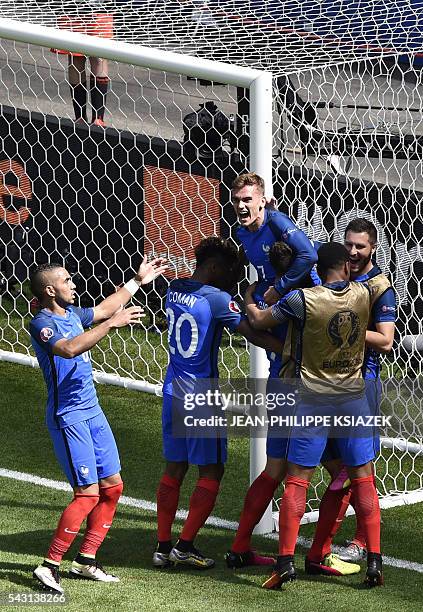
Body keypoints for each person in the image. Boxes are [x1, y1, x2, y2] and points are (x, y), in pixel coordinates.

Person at [244, 242, 383, 589]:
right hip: (352, 399)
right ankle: (375, 563)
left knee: (297, 479)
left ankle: (286, 562)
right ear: (347, 268)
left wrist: (248, 295)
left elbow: (259, 318)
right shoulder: (365, 294)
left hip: (312, 400)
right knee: (363, 478)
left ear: (317, 271)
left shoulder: (300, 300)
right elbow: (379, 287)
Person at [30, 255, 167, 594]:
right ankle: (49, 566)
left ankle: (86, 559)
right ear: (50, 290)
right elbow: (69, 349)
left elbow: (106, 308)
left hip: (93, 412)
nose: (74, 284)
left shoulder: (73, 314)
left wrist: (137, 281)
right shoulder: (42, 324)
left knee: (113, 487)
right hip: (69, 417)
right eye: (66, 281)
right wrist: (110, 325)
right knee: (87, 494)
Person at [153, 237, 284, 570]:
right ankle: (184, 546)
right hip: (200, 396)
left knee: (174, 468)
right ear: (214, 268)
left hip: (172, 390)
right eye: (231, 272)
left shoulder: (174, 289)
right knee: (212, 470)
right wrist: (287, 350)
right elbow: (252, 331)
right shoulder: (216, 298)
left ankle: (162, 545)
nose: (233, 279)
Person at [307, 218, 396, 567]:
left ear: (373, 247)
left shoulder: (379, 287)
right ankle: (340, 541)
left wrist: (341, 330)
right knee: (339, 468)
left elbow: (386, 340)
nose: (354, 252)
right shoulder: (337, 278)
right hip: (328, 385)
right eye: (349, 245)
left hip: (362, 386)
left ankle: (362, 541)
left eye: (360, 246)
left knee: (357, 469)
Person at [232, 172, 318, 305]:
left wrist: (279, 289)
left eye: (247, 200)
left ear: (261, 202)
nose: (240, 206)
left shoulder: (276, 222)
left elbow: (309, 255)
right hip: (269, 293)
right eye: (236, 200)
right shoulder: (242, 232)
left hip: (300, 293)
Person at [52, 8, 114, 126]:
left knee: (99, 56)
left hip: (100, 8)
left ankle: (98, 118)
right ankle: (80, 116)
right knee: (75, 56)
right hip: (72, 7)